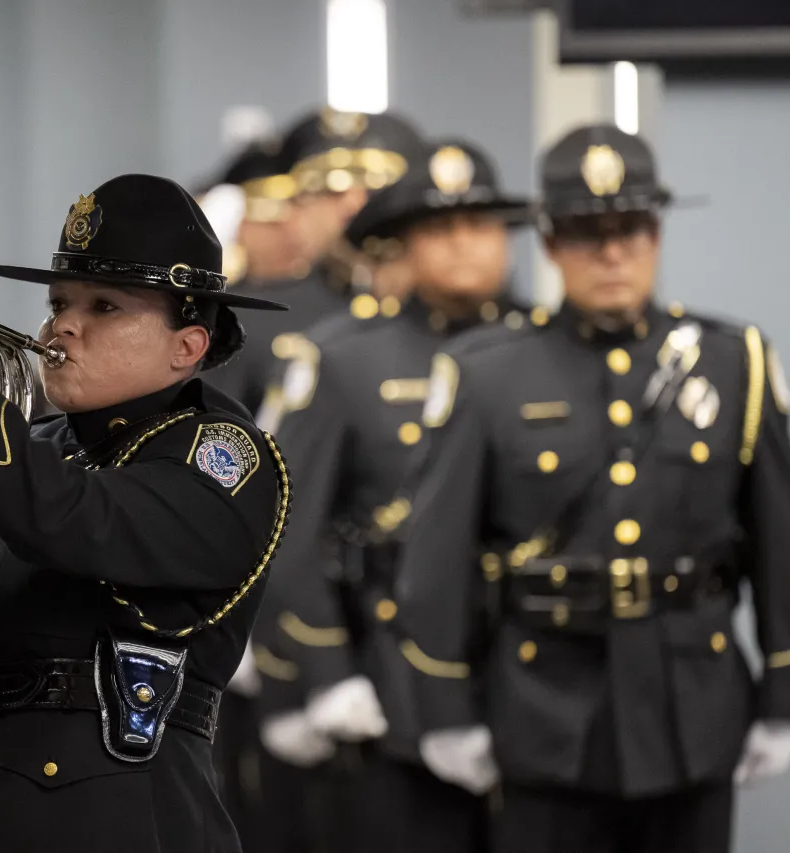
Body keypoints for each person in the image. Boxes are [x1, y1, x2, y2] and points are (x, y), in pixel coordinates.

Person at [394, 124, 790, 853]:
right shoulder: (486, 373)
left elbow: (784, 542)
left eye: (631, 228)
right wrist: (445, 707)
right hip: (543, 714)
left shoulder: (732, 362)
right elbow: (435, 560)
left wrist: (786, 694)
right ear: (552, 244)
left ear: (656, 235)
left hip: (695, 710)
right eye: (589, 233)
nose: (612, 251)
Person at [0, 173, 291, 853]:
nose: (63, 324)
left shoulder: (222, 455)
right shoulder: (44, 446)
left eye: (104, 305)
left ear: (185, 346)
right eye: (60, 300)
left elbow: (76, 522)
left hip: (111, 819)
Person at [252, 138, 531, 853]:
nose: (465, 245)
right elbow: (288, 528)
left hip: (533, 677)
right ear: (402, 242)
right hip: (389, 680)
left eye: (482, 225)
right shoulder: (344, 357)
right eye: (440, 228)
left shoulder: (544, 351)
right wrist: (326, 671)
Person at [203, 107, 427, 416]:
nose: (354, 202)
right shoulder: (250, 321)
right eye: (329, 189)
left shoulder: (446, 315)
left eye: (376, 187)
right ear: (298, 204)